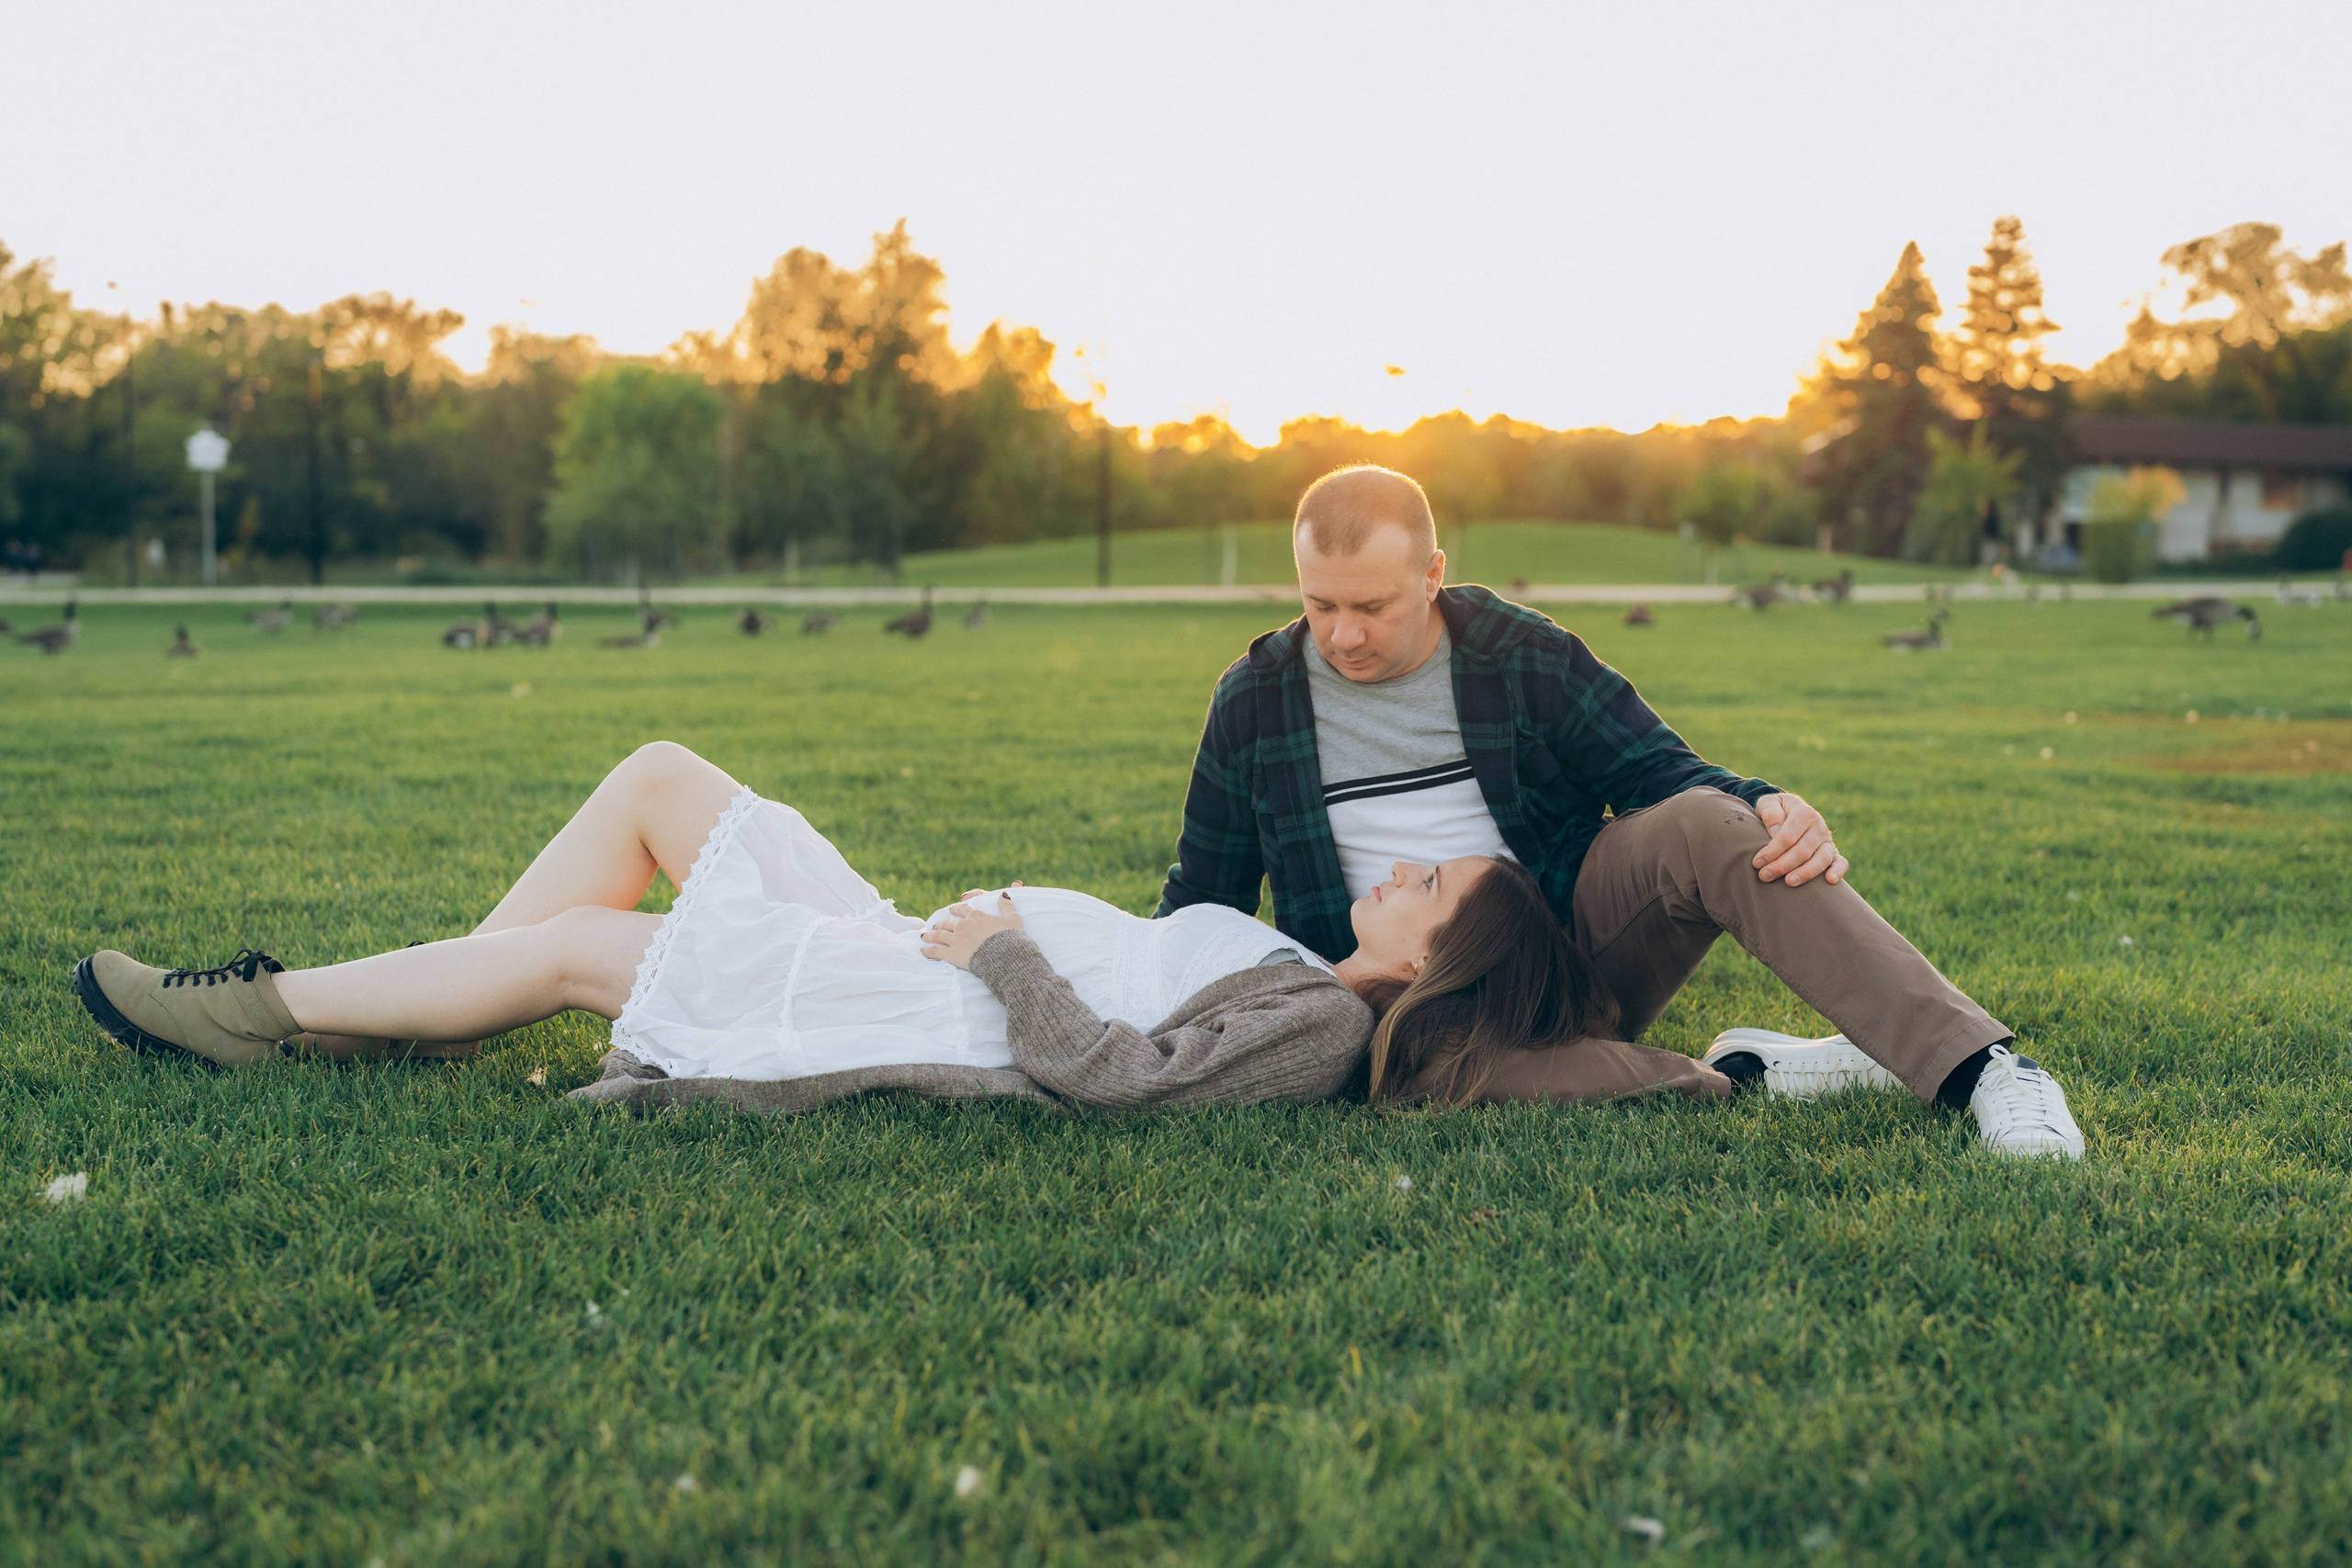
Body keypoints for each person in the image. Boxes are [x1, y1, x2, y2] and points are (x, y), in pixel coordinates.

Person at [1158, 465, 2085, 1156]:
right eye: (1319, 605)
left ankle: (1982, 1069)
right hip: (1401, 1017)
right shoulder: (1257, 698)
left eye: (1371, 605)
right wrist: (1142, 1012)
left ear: (1433, 573)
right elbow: (1204, 895)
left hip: (1561, 955)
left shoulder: (1519, 653)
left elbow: (1658, 771)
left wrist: (1764, 803)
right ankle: (1743, 1079)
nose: (1344, 635)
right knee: (1418, 1072)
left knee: (1714, 827)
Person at [71, 743, 1599, 1115]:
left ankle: (261, 1011)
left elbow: (1124, 1079)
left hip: (934, 1006)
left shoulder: (1325, 1028)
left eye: (1431, 890)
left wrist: (1000, 948)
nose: (1396, 878)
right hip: (919, 954)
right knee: (664, 783)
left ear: (1443, 959)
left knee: (590, 958)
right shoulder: (1305, 974)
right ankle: (377, 1015)